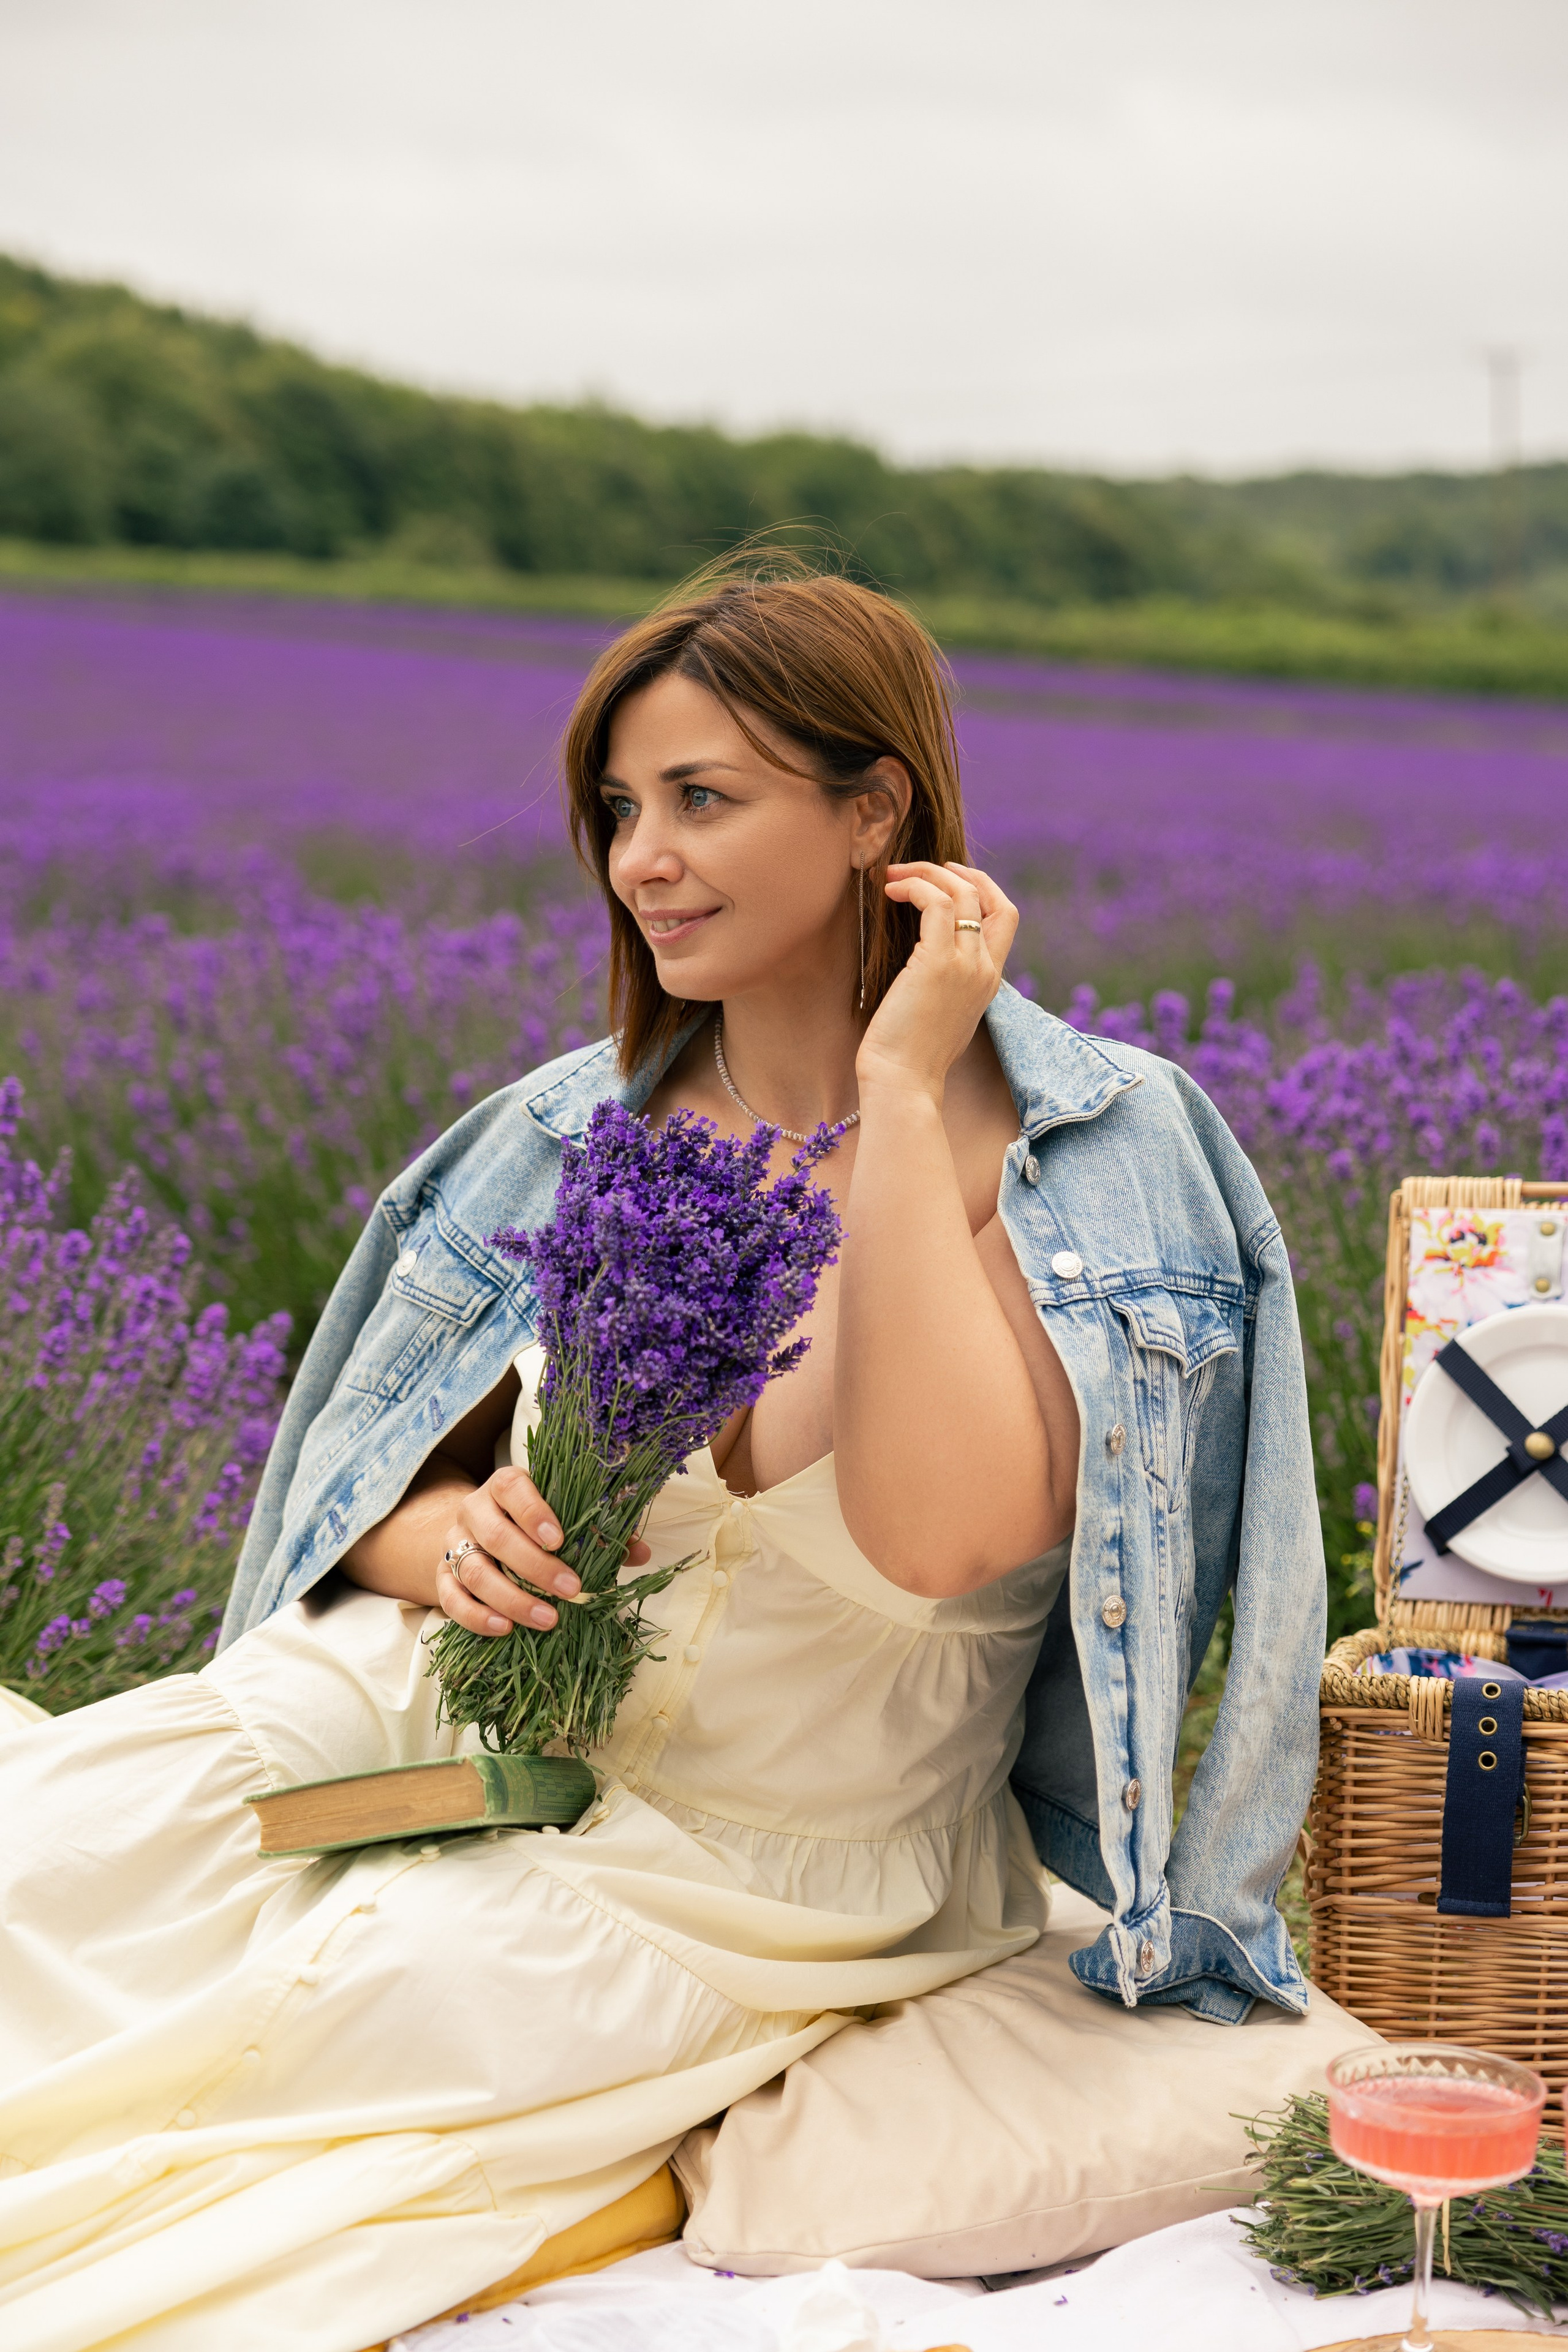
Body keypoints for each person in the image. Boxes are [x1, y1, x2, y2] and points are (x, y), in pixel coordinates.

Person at [0, 557, 1325, 2351]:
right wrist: (452, 1549)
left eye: (705, 799)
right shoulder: (571, 1126)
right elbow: (387, 1498)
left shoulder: (1096, 1153)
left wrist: (914, 1084)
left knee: (339, 2012)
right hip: (437, 1724)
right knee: (54, 1855)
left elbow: (941, 1544)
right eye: (623, 809)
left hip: (753, 1866)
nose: (641, 858)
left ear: (878, 812)